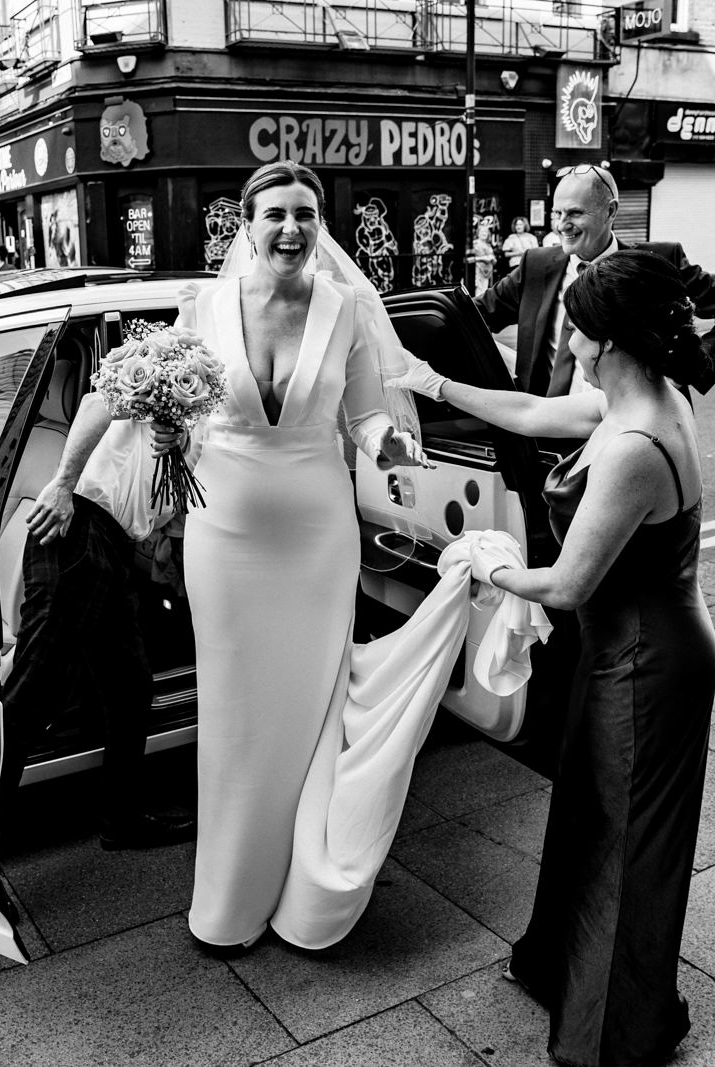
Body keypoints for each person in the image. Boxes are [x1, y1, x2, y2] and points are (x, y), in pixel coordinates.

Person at [392, 250, 715, 1067]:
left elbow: (569, 584)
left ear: (607, 342)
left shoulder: (636, 443)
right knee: (589, 815)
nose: (567, 341)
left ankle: (611, 1034)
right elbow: (532, 411)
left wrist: (484, 563)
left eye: (576, 329)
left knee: (625, 841)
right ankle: (561, 970)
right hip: (633, 648)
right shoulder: (644, 398)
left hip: (647, 662)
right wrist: (435, 385)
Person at [169, 161, 430, 954]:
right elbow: (172, 413)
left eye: (306, 214)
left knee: (313, 707)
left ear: (321, 225)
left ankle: (303, 890)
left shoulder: (345, 308)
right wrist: (158, 433)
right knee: (235, 713)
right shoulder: (203, 309)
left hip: (318, 540)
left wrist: (389, 444)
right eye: (276, 213)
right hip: (225, 540)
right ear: (246, 225)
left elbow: (365, 419)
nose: (292, 228)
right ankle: (229, 901)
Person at [0, 350, 197, 852]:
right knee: (34, 693)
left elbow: (162, 516)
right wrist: (62, 485)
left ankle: (120, 822)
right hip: (78, 527)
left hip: (113, 548)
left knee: (131, 688)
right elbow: (95, 402)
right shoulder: (163, 369)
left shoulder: (198, 426)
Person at [476, 165, 715, 400]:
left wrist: (686, 371)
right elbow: (472, 315)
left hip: (631, 431)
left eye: (575, 213)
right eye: (557, 213)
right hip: (548, 433)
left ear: (610, 211)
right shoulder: (536, 265)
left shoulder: (656, 262)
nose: (562, 225)